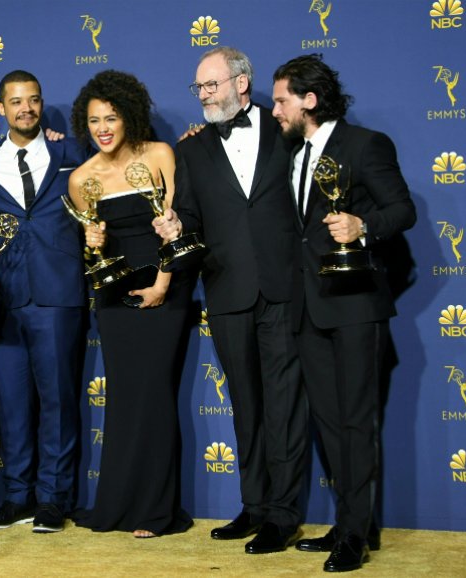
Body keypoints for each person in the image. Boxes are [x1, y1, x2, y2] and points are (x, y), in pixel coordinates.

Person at [152, 46, 306, 553]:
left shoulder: (285, 131)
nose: (203, 94)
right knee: (245, 405)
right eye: (198, 87)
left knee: (284, 406)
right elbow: (192, 221)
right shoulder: (192, 149)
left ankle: (283, 515)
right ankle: (255, 505)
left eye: (211, 84)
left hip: (283, 289)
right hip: (226, 291)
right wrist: (176, 230)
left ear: (242, 83)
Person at [271, 54, 415, 572]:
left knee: (355, 422)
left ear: (309, 100)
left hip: (355, 306)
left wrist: (363, 226)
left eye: (281, 101)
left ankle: (355, 535)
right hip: (310, 309)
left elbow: (403, 210)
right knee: (330, 424)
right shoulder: (295, 153)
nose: (275, 111)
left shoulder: (365, 144)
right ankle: (352, 520)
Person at [67, 70, 193, 538]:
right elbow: (93, 254)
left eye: (111, 118)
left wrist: (162, 283)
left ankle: (156, 511)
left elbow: (176, 227)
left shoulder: (159, 155)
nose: (102, 128)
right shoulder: (81, 179)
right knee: (123, 395)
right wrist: (92, 242)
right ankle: (117, 505)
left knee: (154, 393)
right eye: (94, 120)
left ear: (129, 116)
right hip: (114, 297)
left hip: (165, 288)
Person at [0, 70, 87, 534]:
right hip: (6, 299)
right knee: (12, 403)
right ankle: (17, 496)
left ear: (42, 104)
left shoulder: (70, 153)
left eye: (34, 100)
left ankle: (53, 499)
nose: (26, 109)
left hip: (58, 293)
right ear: (1, 108)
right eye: (17, 102)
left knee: (58, 401)